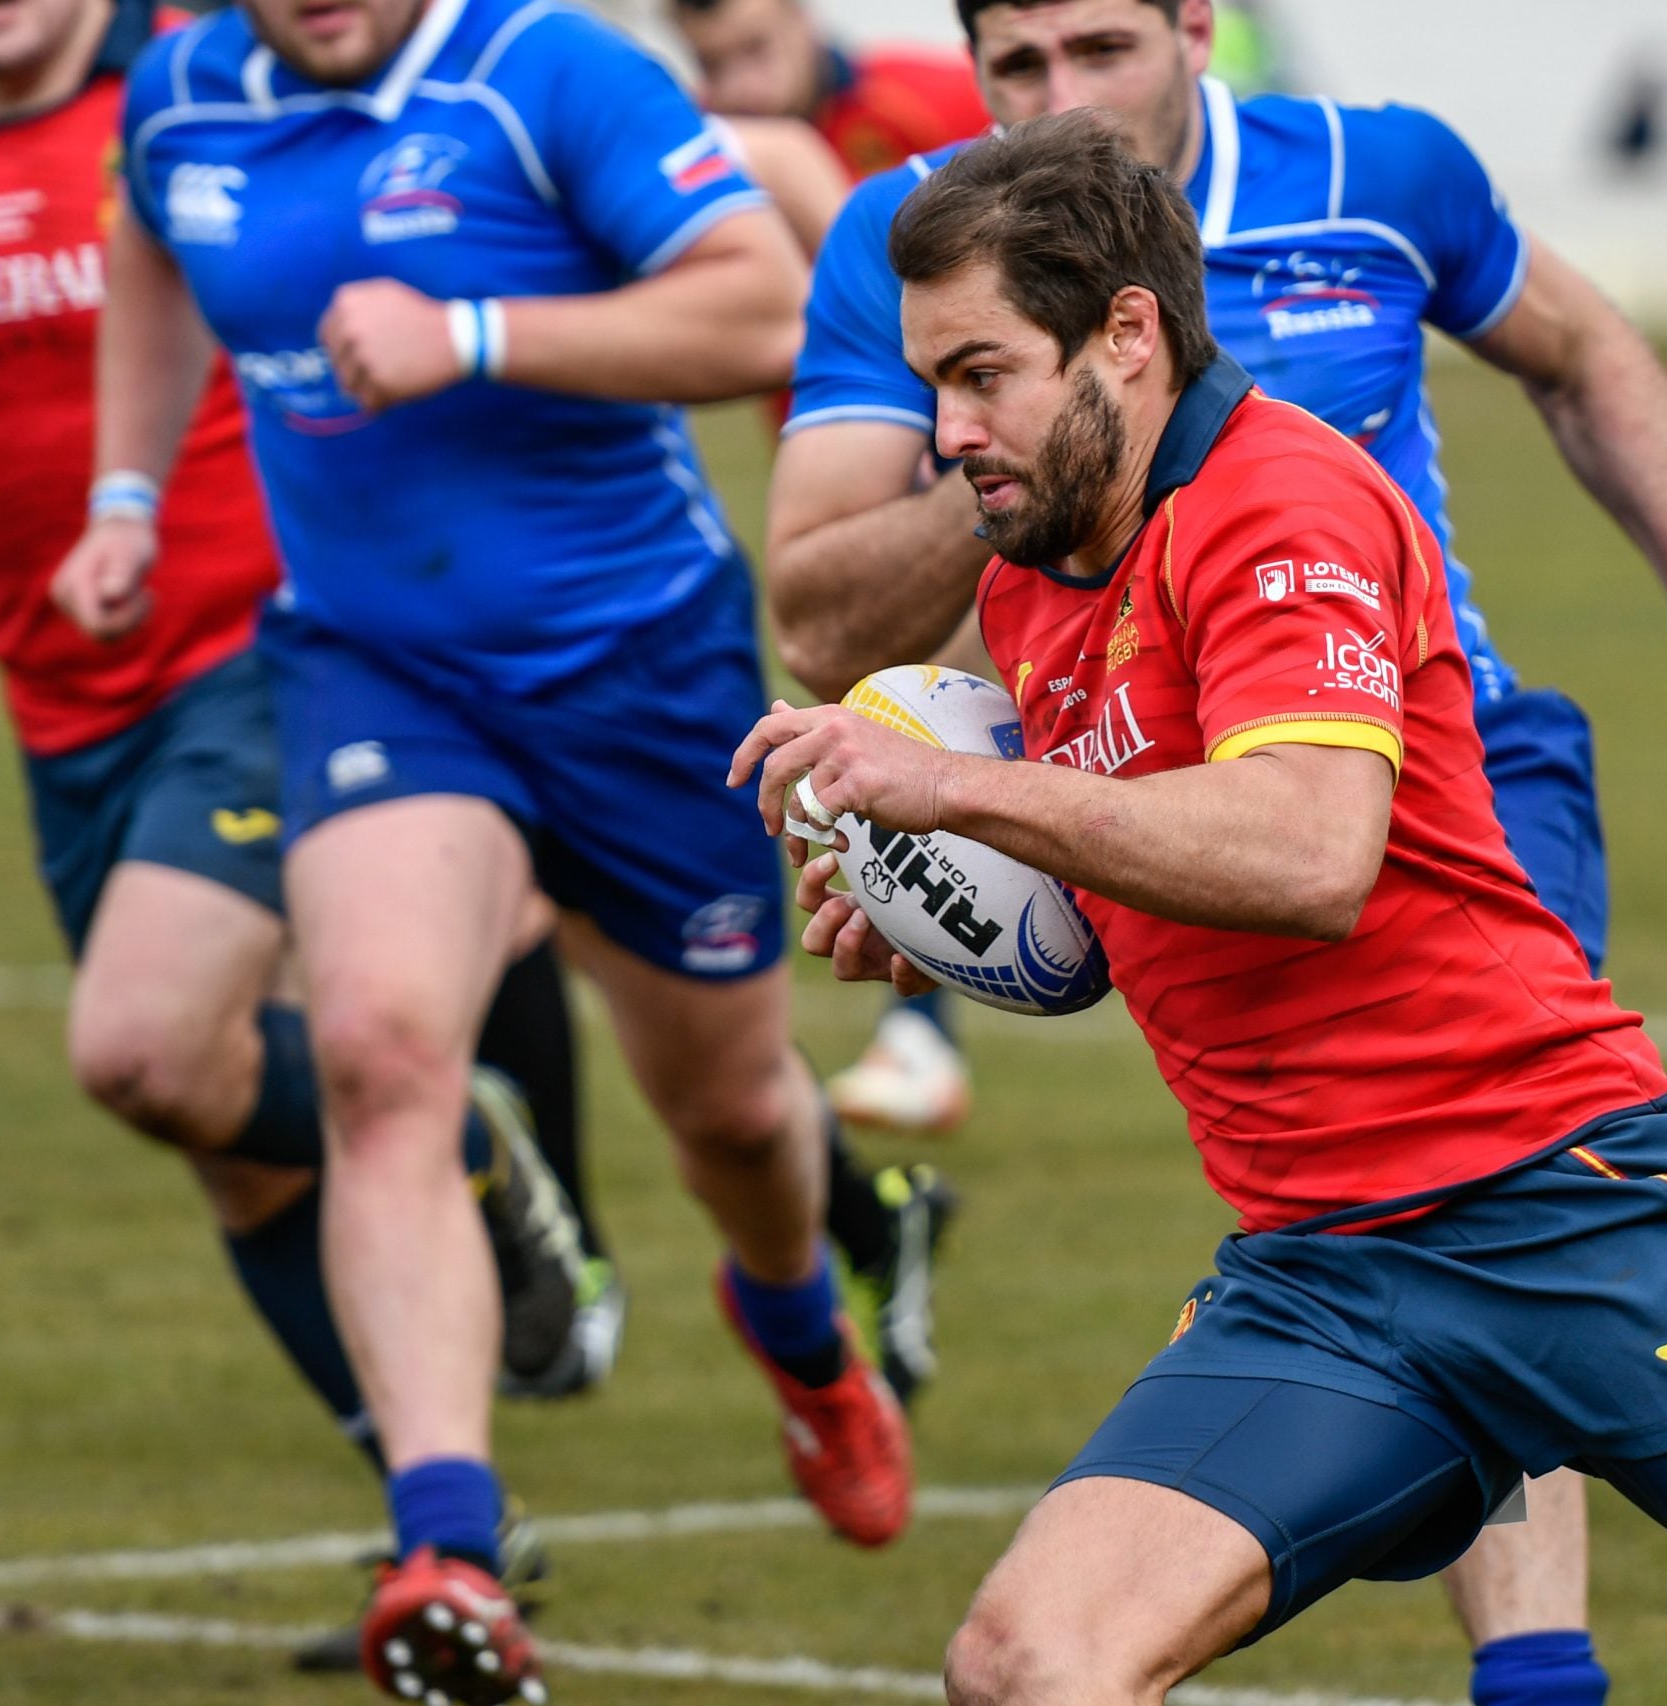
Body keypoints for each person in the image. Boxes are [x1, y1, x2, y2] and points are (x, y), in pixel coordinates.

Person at [734, 110, 1667, 1705]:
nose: (945, 428)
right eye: (928, 385)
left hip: (1573, 1211)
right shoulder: (1029, 578)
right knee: (1032, 1659)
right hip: (1326, 1275)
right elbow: (1144, 880)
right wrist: (945, 909)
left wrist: (955, 797)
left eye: (981, 374)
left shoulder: (1277, 505)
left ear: (1124, 334)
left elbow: (1310, 857)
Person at [0, 0, 596, 1653]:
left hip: (271, 644)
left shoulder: (207, 86)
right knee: (218, 1132)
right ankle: (446, 1527)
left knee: (138, 1043)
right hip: (61, 697)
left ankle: (457, 1130)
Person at [68, 0, 912, 1693]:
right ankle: (446, 1544)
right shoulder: (179, 96)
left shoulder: (552, 73)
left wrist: (472, 330)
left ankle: (801, 1325)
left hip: (640, 671)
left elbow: (759, 300)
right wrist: (127, 497)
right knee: (385, 1054)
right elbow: (153, 256)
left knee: (736, 1111)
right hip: (374, 663)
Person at [674, 0, 990, 1136]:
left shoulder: (924, 106)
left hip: (965, 458)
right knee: (882, 716)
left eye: (750, 45)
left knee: (912, 722)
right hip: (845, 482)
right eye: (710, 58)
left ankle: (926, 1023)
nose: (737, 75)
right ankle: (922, 1015)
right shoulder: (713, 150)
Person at [673, 0, 991, 182]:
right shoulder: (692, 140)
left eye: (756, 49)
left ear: (801, 20)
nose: (739, 86)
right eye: (711, 65)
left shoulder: (925, 96)